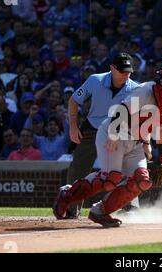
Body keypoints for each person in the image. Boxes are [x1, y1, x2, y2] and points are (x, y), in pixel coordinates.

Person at [53, 58, 162, 227]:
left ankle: (100, 212)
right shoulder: (147, 90)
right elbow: (122, 110)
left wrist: (161, 159)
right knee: (109, 180)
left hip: (136, 141)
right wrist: (114, 133)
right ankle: (66, 195)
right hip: (114, 132)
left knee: (143, 181)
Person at [65, 53, 140, 219]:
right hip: (93, 129)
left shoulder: (136, 89)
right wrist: (72, 126)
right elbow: (73, 101)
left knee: (126, 167)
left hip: (120, 131)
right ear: (112, 68)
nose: (126, 74)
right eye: (122, 70)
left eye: (128, 71)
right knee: (78, 168)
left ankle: (131, 208)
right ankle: (71, 209)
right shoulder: (95, 80)